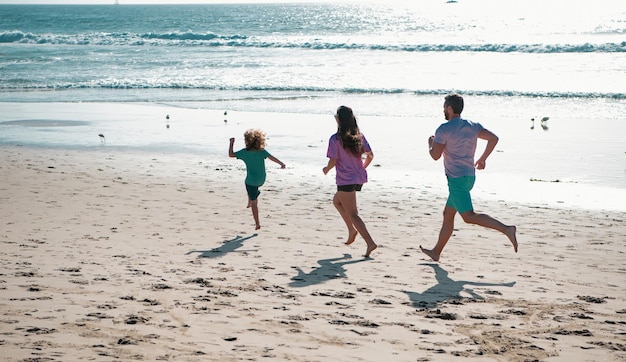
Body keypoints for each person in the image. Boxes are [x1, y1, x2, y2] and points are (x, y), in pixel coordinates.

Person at [420, 93, 518, 262]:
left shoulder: (443, 129)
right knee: (448, 214)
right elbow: (493, 138)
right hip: (469, 177)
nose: (443, 110)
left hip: (456, 180)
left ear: (449, 109)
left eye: (444, 107)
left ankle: (507, 229)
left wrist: (430, 143)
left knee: (468, 216)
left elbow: (435, 156)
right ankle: (436, 252)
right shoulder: (472, 125)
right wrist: (482, 159)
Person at [323, 106, 378, 258]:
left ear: (338, 119)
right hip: (358, 178)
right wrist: (362, 167)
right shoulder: (359, 136)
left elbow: (333, 161)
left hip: (345, 179)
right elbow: (370, 155)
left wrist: (326, 169)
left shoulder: (335, 139)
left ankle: (369, 242)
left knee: (353, 214)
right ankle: (351, 230)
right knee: (337, 201)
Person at [229, 129, 285, 230]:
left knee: (253, 199)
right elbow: (272, 158)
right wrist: (281, 163)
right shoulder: (261, 151)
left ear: (247, 141)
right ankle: (251, 199)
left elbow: (231, 155)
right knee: (252, 189)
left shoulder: (244, 152)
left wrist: (231, 143)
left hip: (251, 182)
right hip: (261, 179)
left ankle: (257, 223)